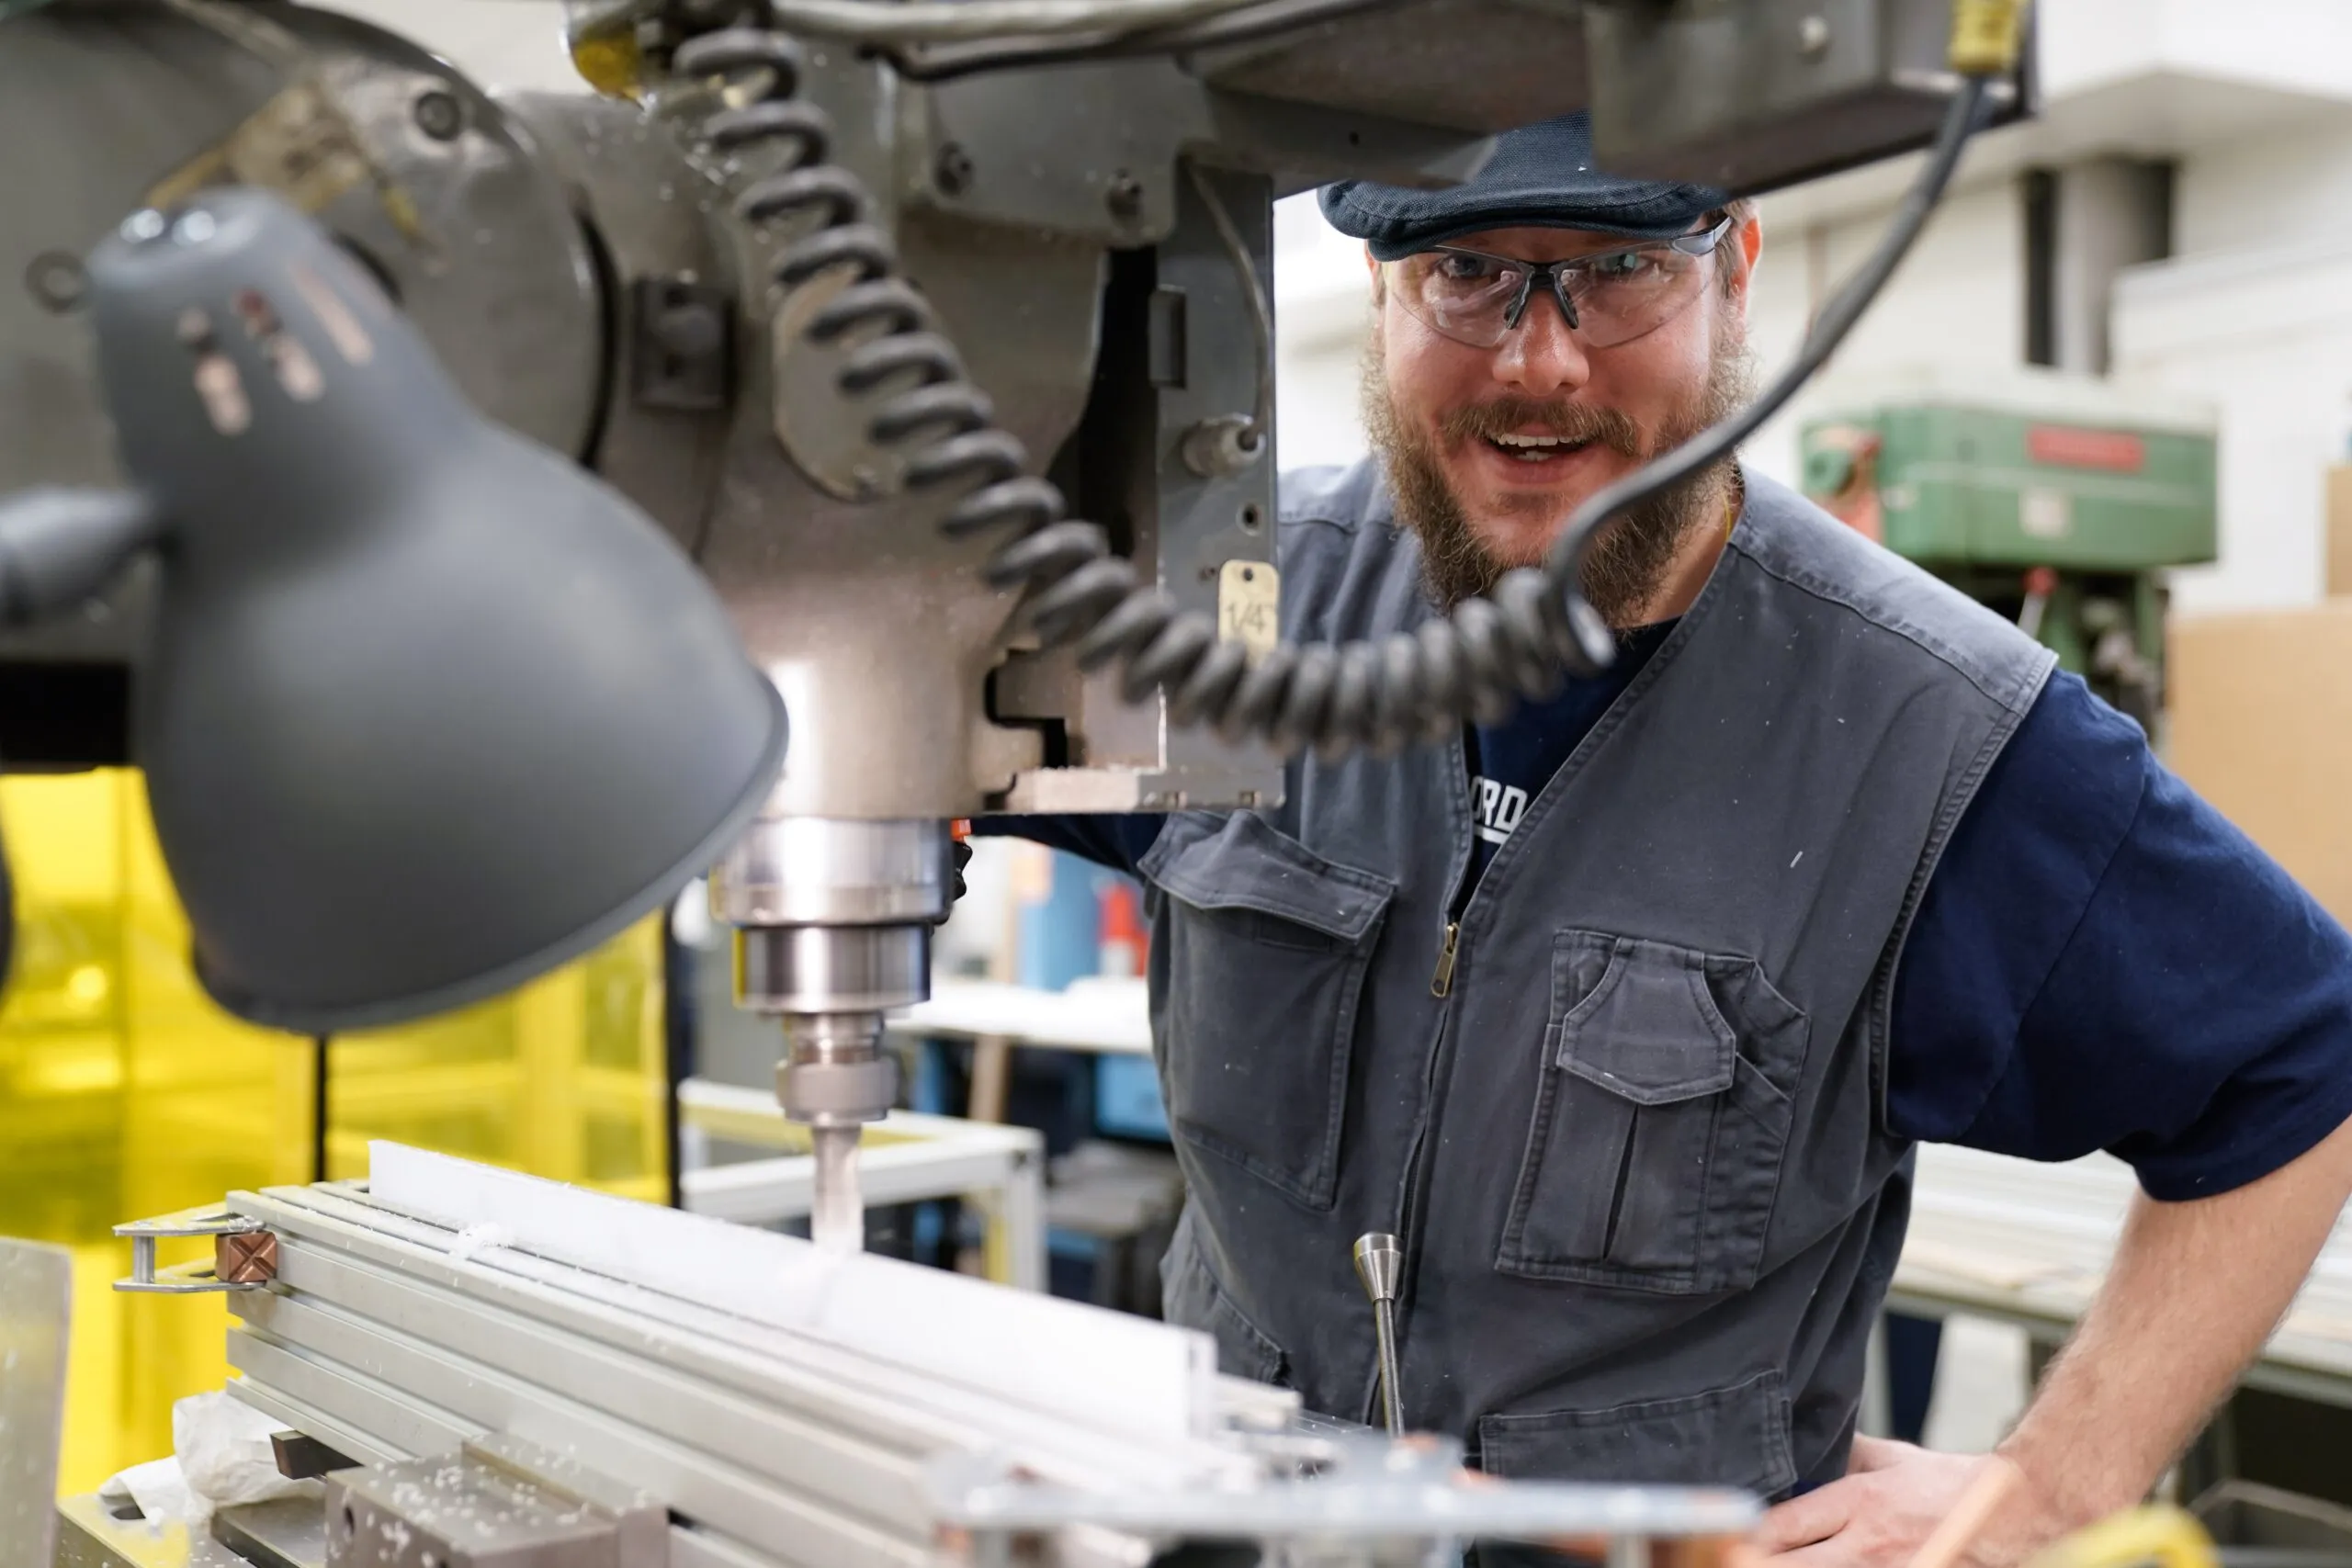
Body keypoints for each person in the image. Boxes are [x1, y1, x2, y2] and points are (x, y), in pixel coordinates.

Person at [979, 113, 2352, 1568]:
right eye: (1466, 274)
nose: (1540, 360)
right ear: (1380, 298)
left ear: (1736, 269)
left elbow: (2301, 1057)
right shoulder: (1227, 616)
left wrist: (2056, 1481)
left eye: (1620, 267)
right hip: (1236, 1529)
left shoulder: (1928, 735)